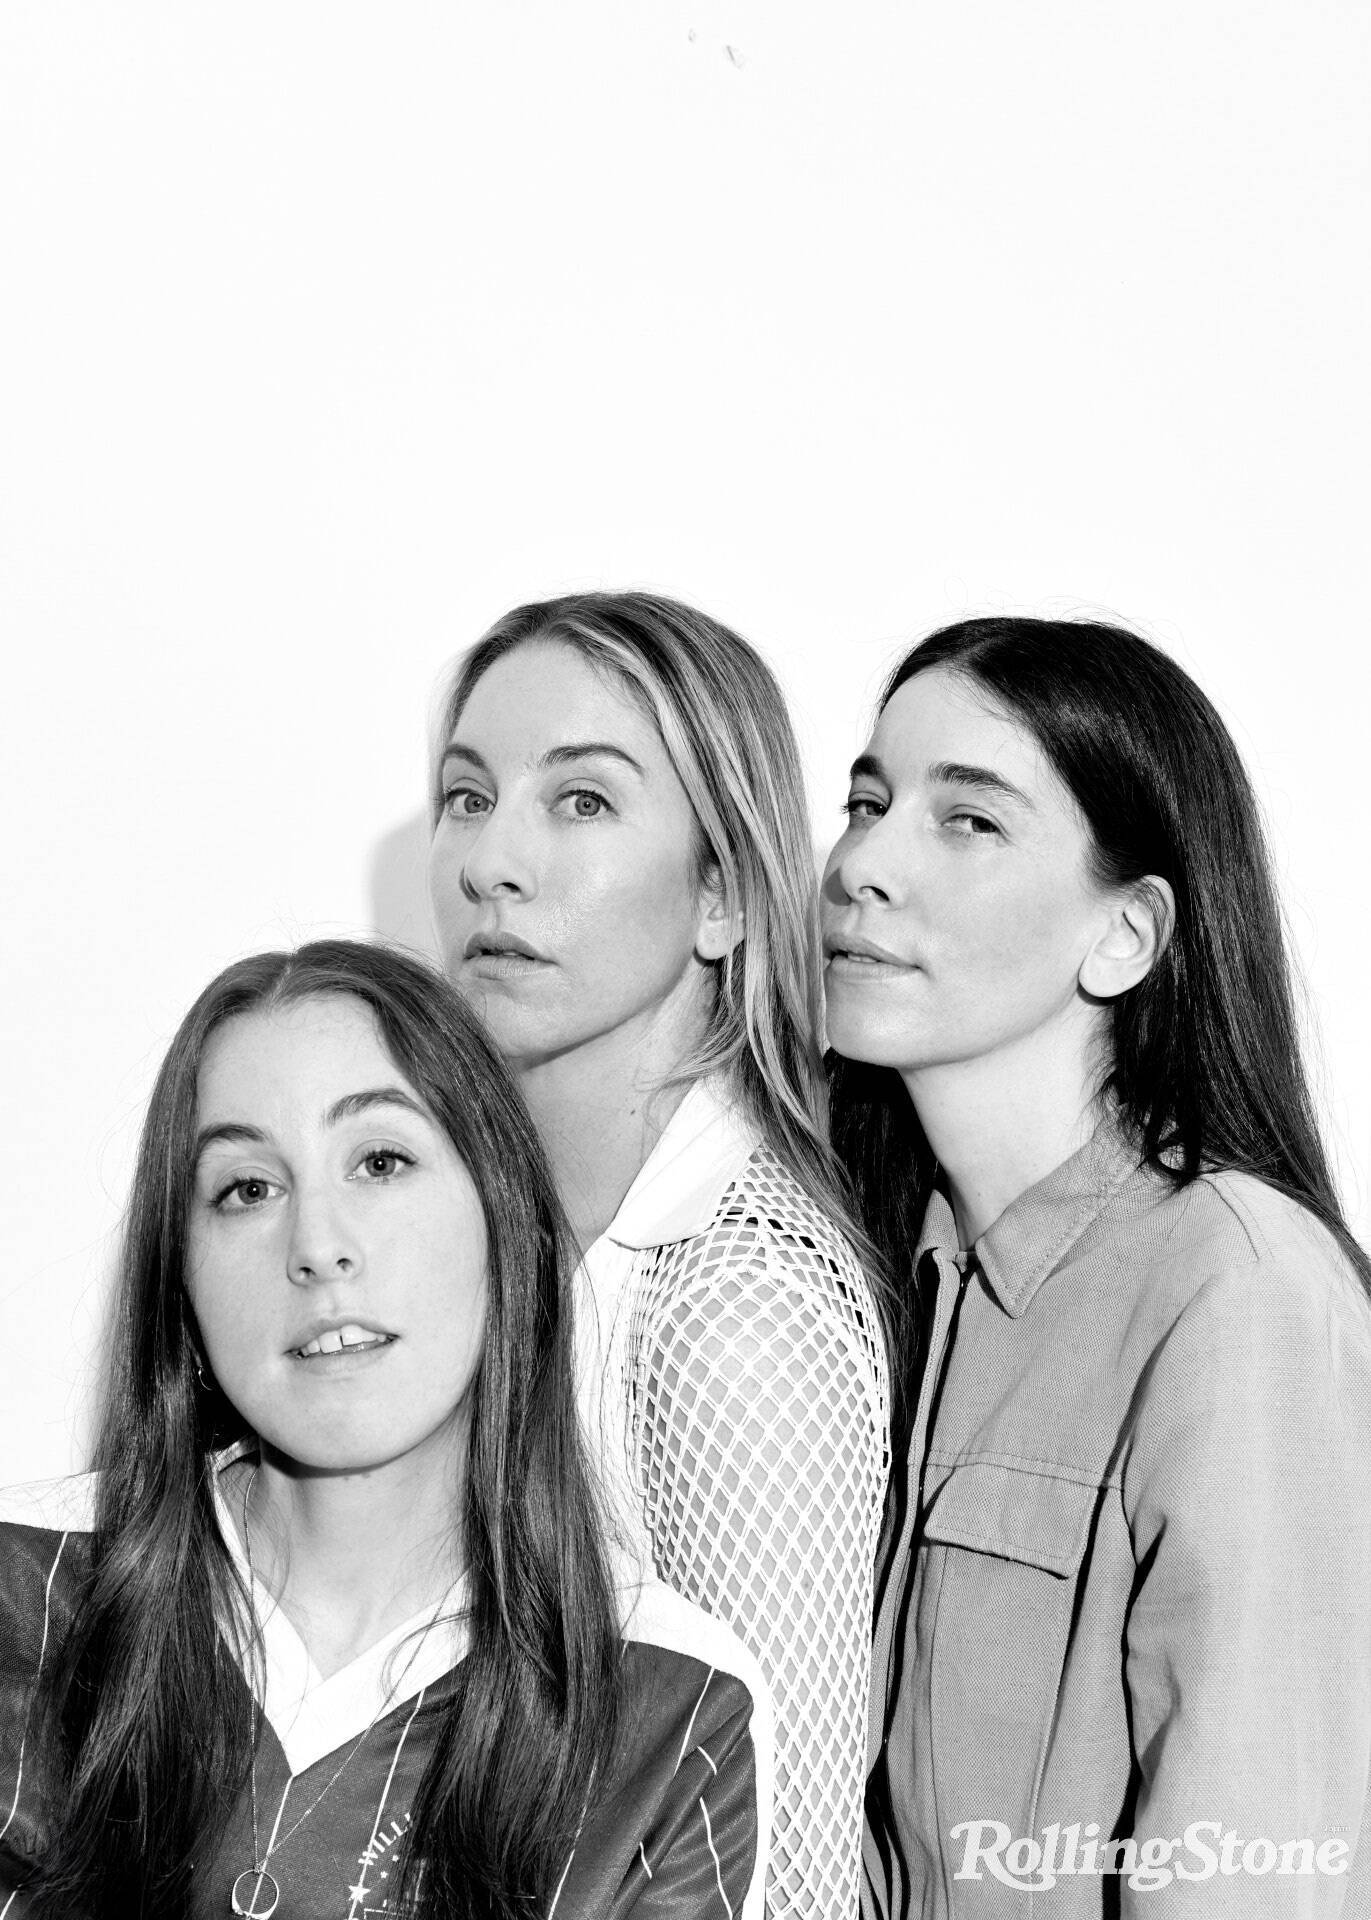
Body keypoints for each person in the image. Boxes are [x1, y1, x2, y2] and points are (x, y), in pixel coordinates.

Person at [0, 941, 771, 1920]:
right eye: (247, 1188)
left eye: (380, 1162)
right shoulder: (22, 1590)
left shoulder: (674, 1708)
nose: (318, 1247)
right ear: (180, 1279)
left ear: (506, 1225)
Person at [822, 617, 1371, 1918]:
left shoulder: (1237, 1292)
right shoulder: (879, 1279)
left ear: (1124, 935)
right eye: (866, 803)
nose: (860, 866)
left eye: (968, 820)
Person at [428, 589, 891, 1917]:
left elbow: (787, 1879)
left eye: (580, 801)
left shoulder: (734, 1304)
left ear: (722, 896)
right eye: (467, 796)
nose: (491, 861)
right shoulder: (494, 1241)